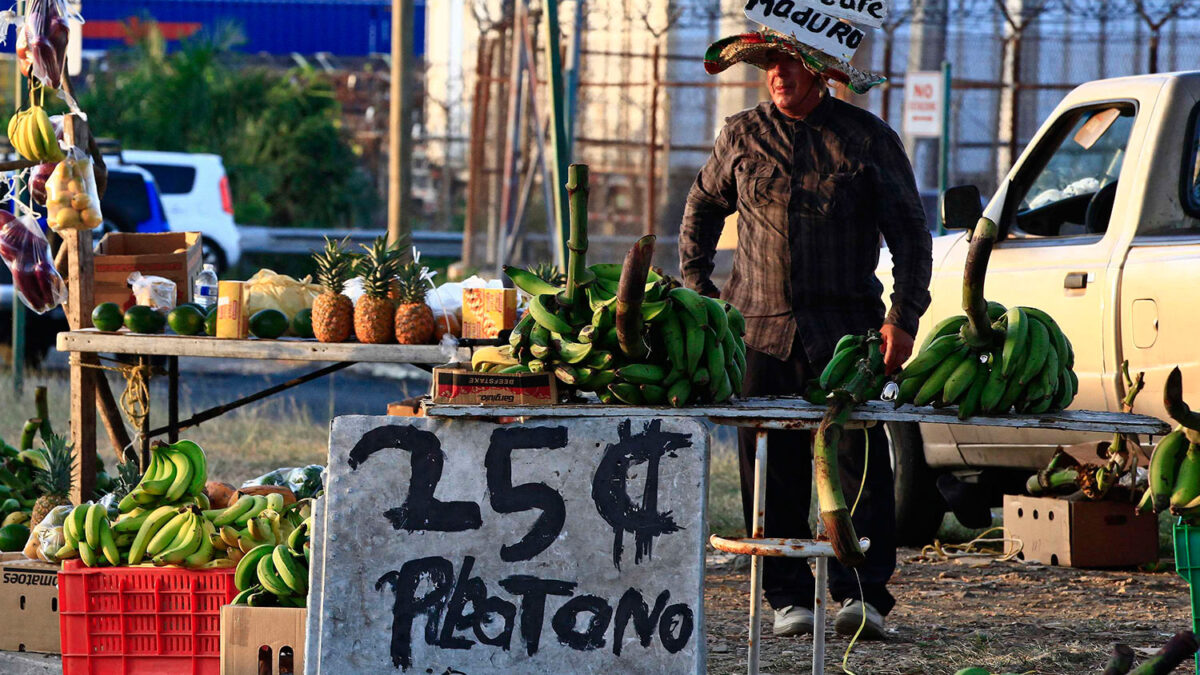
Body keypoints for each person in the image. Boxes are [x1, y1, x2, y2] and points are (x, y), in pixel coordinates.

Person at [680, 31, 933, 640]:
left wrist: (903, 317)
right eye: (771, 64)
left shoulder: (866, 138)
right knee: (771, 465)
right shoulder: (742, 134)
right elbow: (701, 206)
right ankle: (787, 596)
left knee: (858, 463)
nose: (778, 74)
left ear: (821, 73)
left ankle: (863, 596)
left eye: (791, 63)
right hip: (758, 333)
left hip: (846, 333)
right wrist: (699, 290)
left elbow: (910, 235)